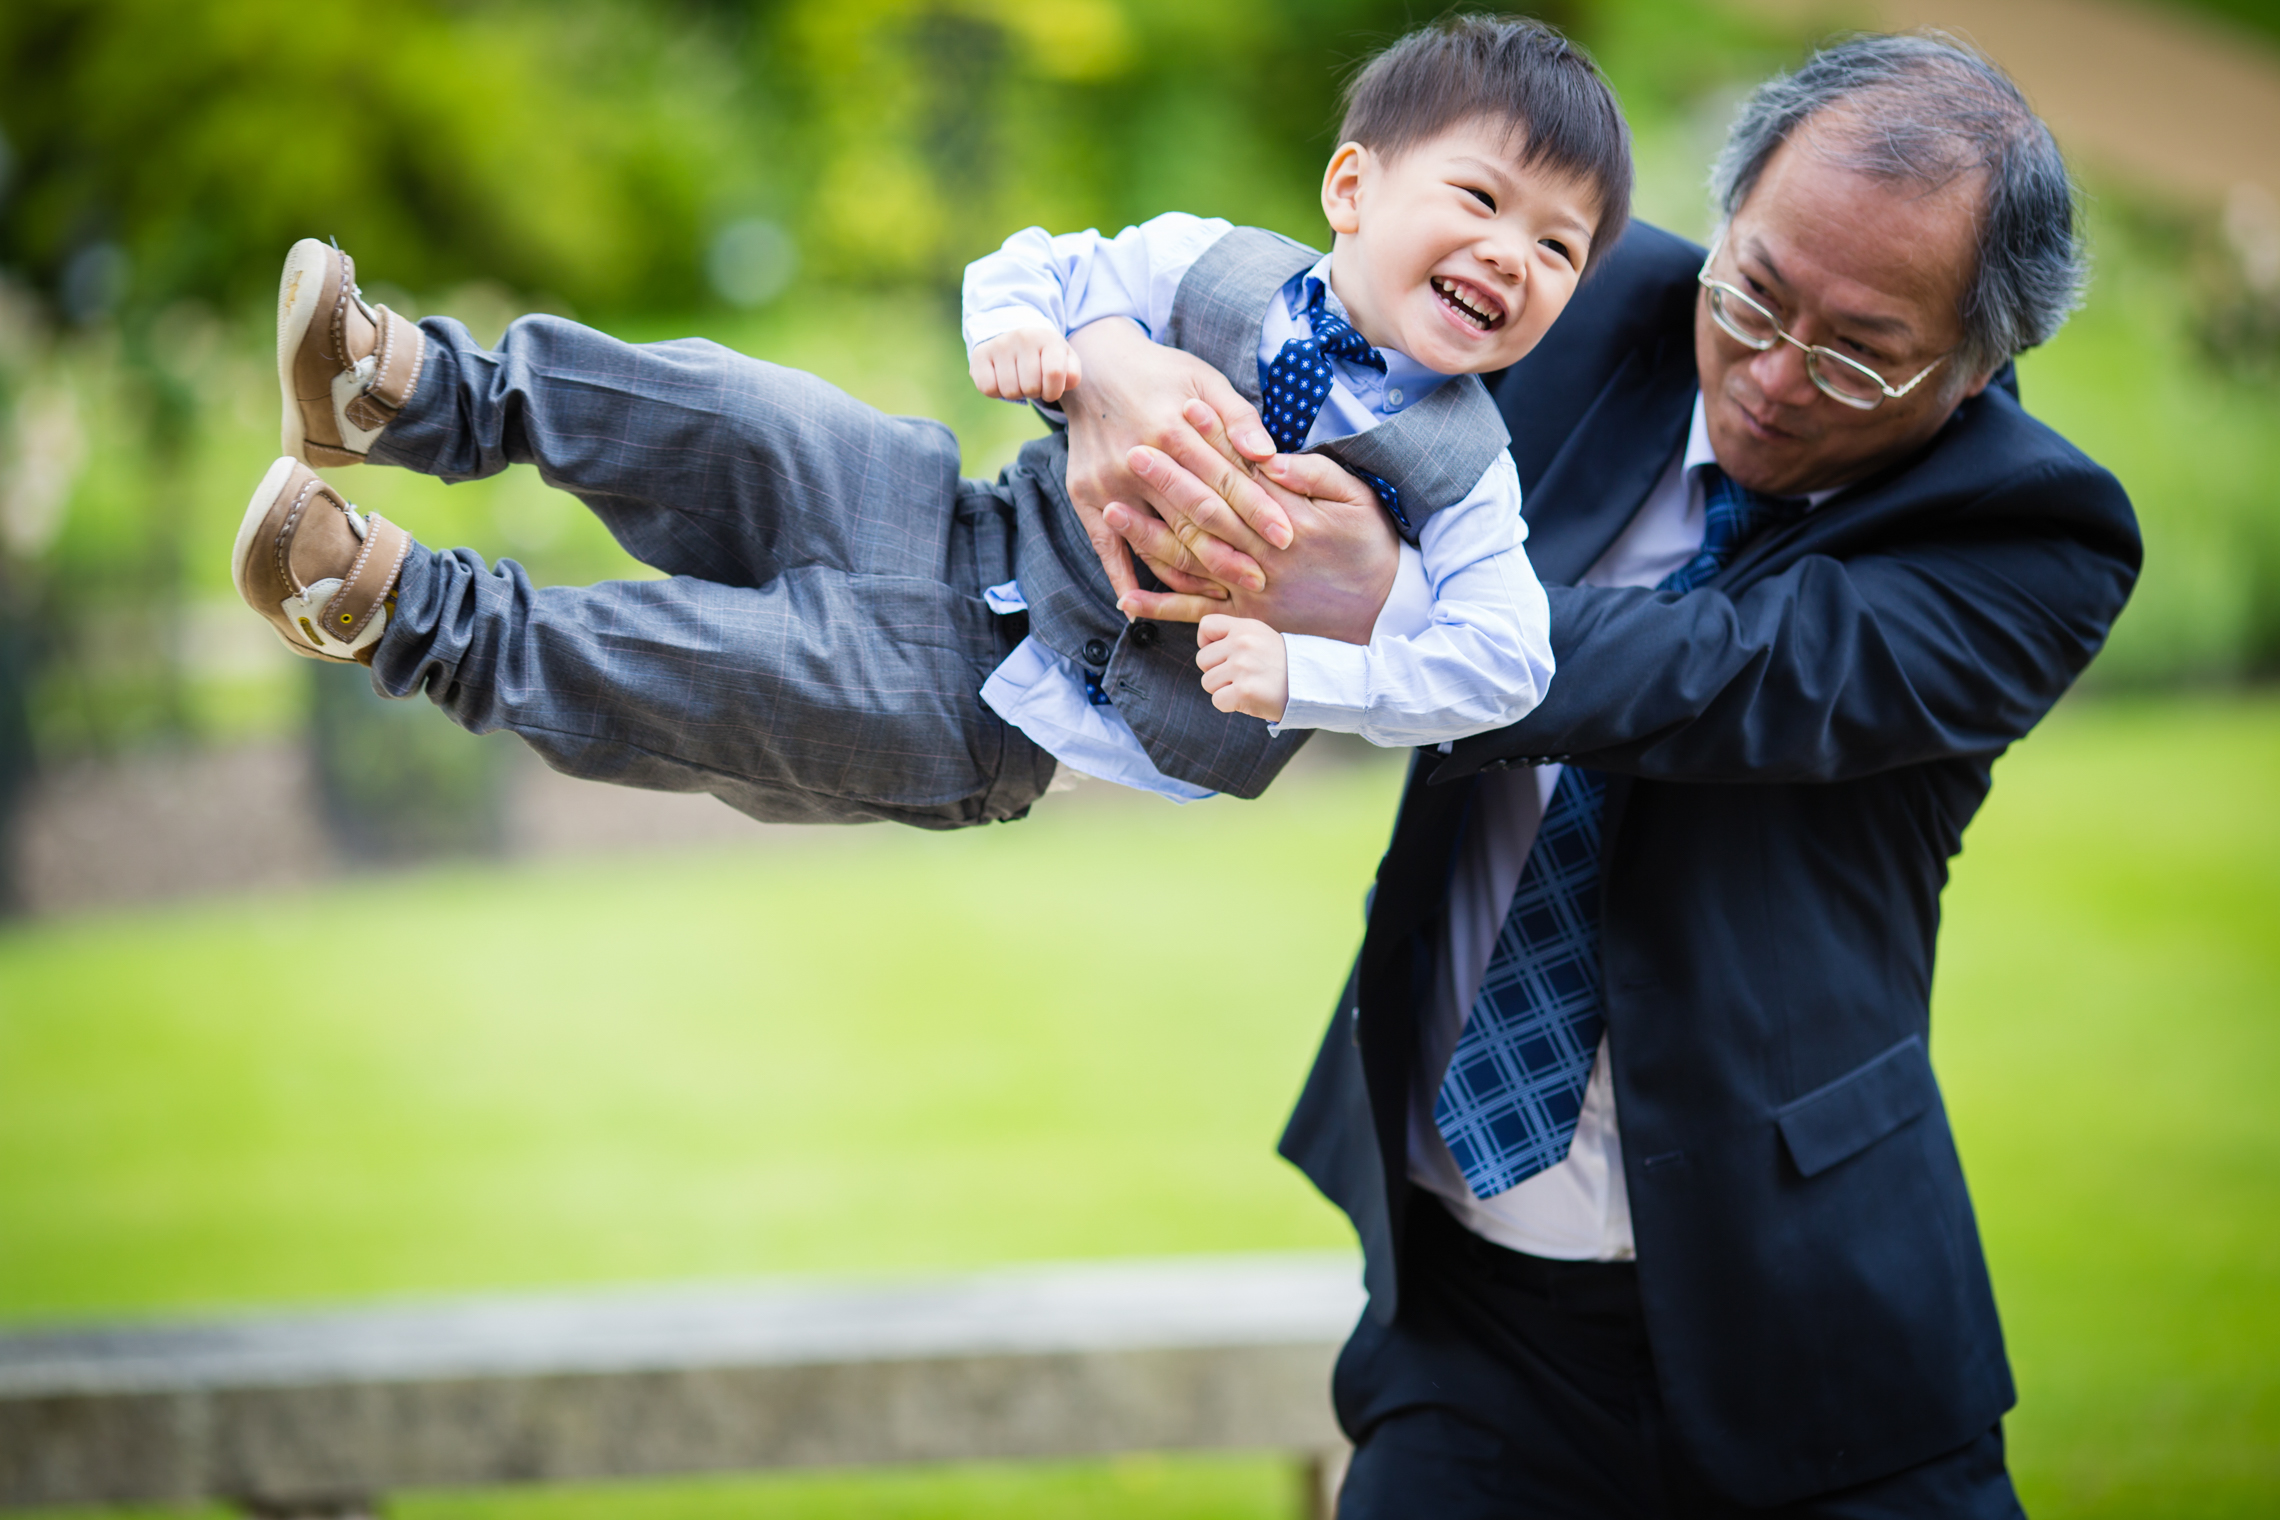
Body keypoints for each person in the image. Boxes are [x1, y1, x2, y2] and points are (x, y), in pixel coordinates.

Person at [1052, 31, 2141, 1519]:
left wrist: (1401, 610)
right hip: (1474, 1313)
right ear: (1727, 213)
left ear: (1978, 362)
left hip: (1810, 1339)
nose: (1769, 375)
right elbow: (1279, 307)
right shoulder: (1572, 308)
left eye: (1859, 350)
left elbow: (1731, 675)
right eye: (1754, 292)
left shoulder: (2029, 539)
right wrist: (1108, 358)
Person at [228, 17, 1626, 824]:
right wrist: (1037, 339)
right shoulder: (1211, 259)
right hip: (954, 515)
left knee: (705, 672)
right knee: (738, 408)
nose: (1516, 257)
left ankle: (387, 606)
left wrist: (1315, 679)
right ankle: (403, 389)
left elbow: (1504, 669)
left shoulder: (1464, 477)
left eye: (1563, 249)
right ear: (1352, 191)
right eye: (1485, 201)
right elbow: (1036, 262)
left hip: (990, 713)